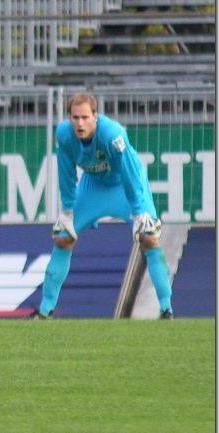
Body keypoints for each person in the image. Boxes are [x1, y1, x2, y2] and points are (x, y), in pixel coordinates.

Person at [32, 93, 172, 319]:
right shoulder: (64, 135)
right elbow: (66, 171)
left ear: (95, 116)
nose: (80, 123)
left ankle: (167, 309)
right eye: (75, 118)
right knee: (63, 237)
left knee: (149, 237)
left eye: (85, 117)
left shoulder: (112, 134)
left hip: (125, 186)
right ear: (69, 118)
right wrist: (68, 210)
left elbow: (129, 170)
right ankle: (45, 311)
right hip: (93, 185)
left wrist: (138, 211)